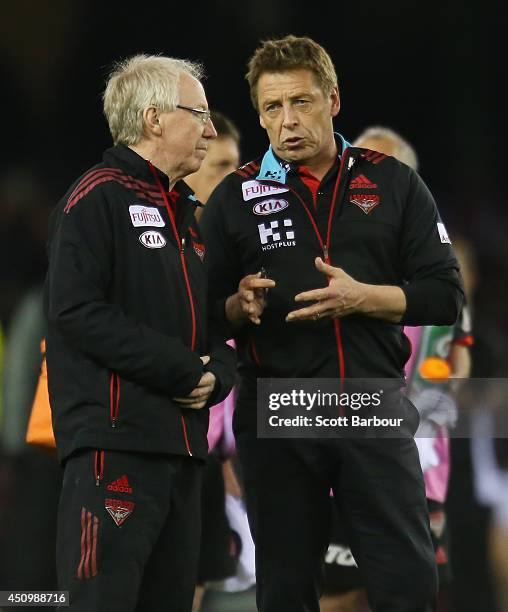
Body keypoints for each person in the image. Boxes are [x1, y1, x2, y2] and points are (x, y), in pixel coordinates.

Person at [200, 35, 464, 612]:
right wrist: (232, 308)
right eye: (273, 108)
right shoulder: (234, 197)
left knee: (410, 584)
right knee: (287, 590)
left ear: (334, 100)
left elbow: (445, 296)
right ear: (260, 115)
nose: (288, 121)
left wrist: (363, 297)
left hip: (370, 404)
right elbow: (200, 306)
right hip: (277, 412)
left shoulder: (395, 183)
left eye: (301, 102)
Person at [44, 54, 236, 612]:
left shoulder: (187, 216)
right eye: (198, 114)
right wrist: (183, 371)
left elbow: (208, 328)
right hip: (114, 448)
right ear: (154, 119)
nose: (208, 129)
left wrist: (216, 378)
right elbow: (76, 311)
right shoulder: (95, 198)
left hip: (182, 453)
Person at [320, 127, 473, 612]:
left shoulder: (433, 261)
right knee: (338, 594)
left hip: (419, 462)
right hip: (339, 456)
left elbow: (458, 351)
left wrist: (439, 396)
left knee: (412, 590)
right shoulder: (329, 250)